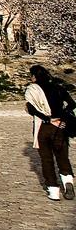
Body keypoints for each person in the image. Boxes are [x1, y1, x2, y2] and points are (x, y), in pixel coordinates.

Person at [25, 64, 75, 200]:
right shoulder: (59, 88)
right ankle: (68, 181)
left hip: (44, 127)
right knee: (62, 156)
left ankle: (53, 190)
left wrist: (47, 119)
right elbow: (72, 104)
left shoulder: (32, 90)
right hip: (60, 126)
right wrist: (63, 116)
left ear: (34, 77)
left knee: (47, 159)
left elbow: (31, 109)